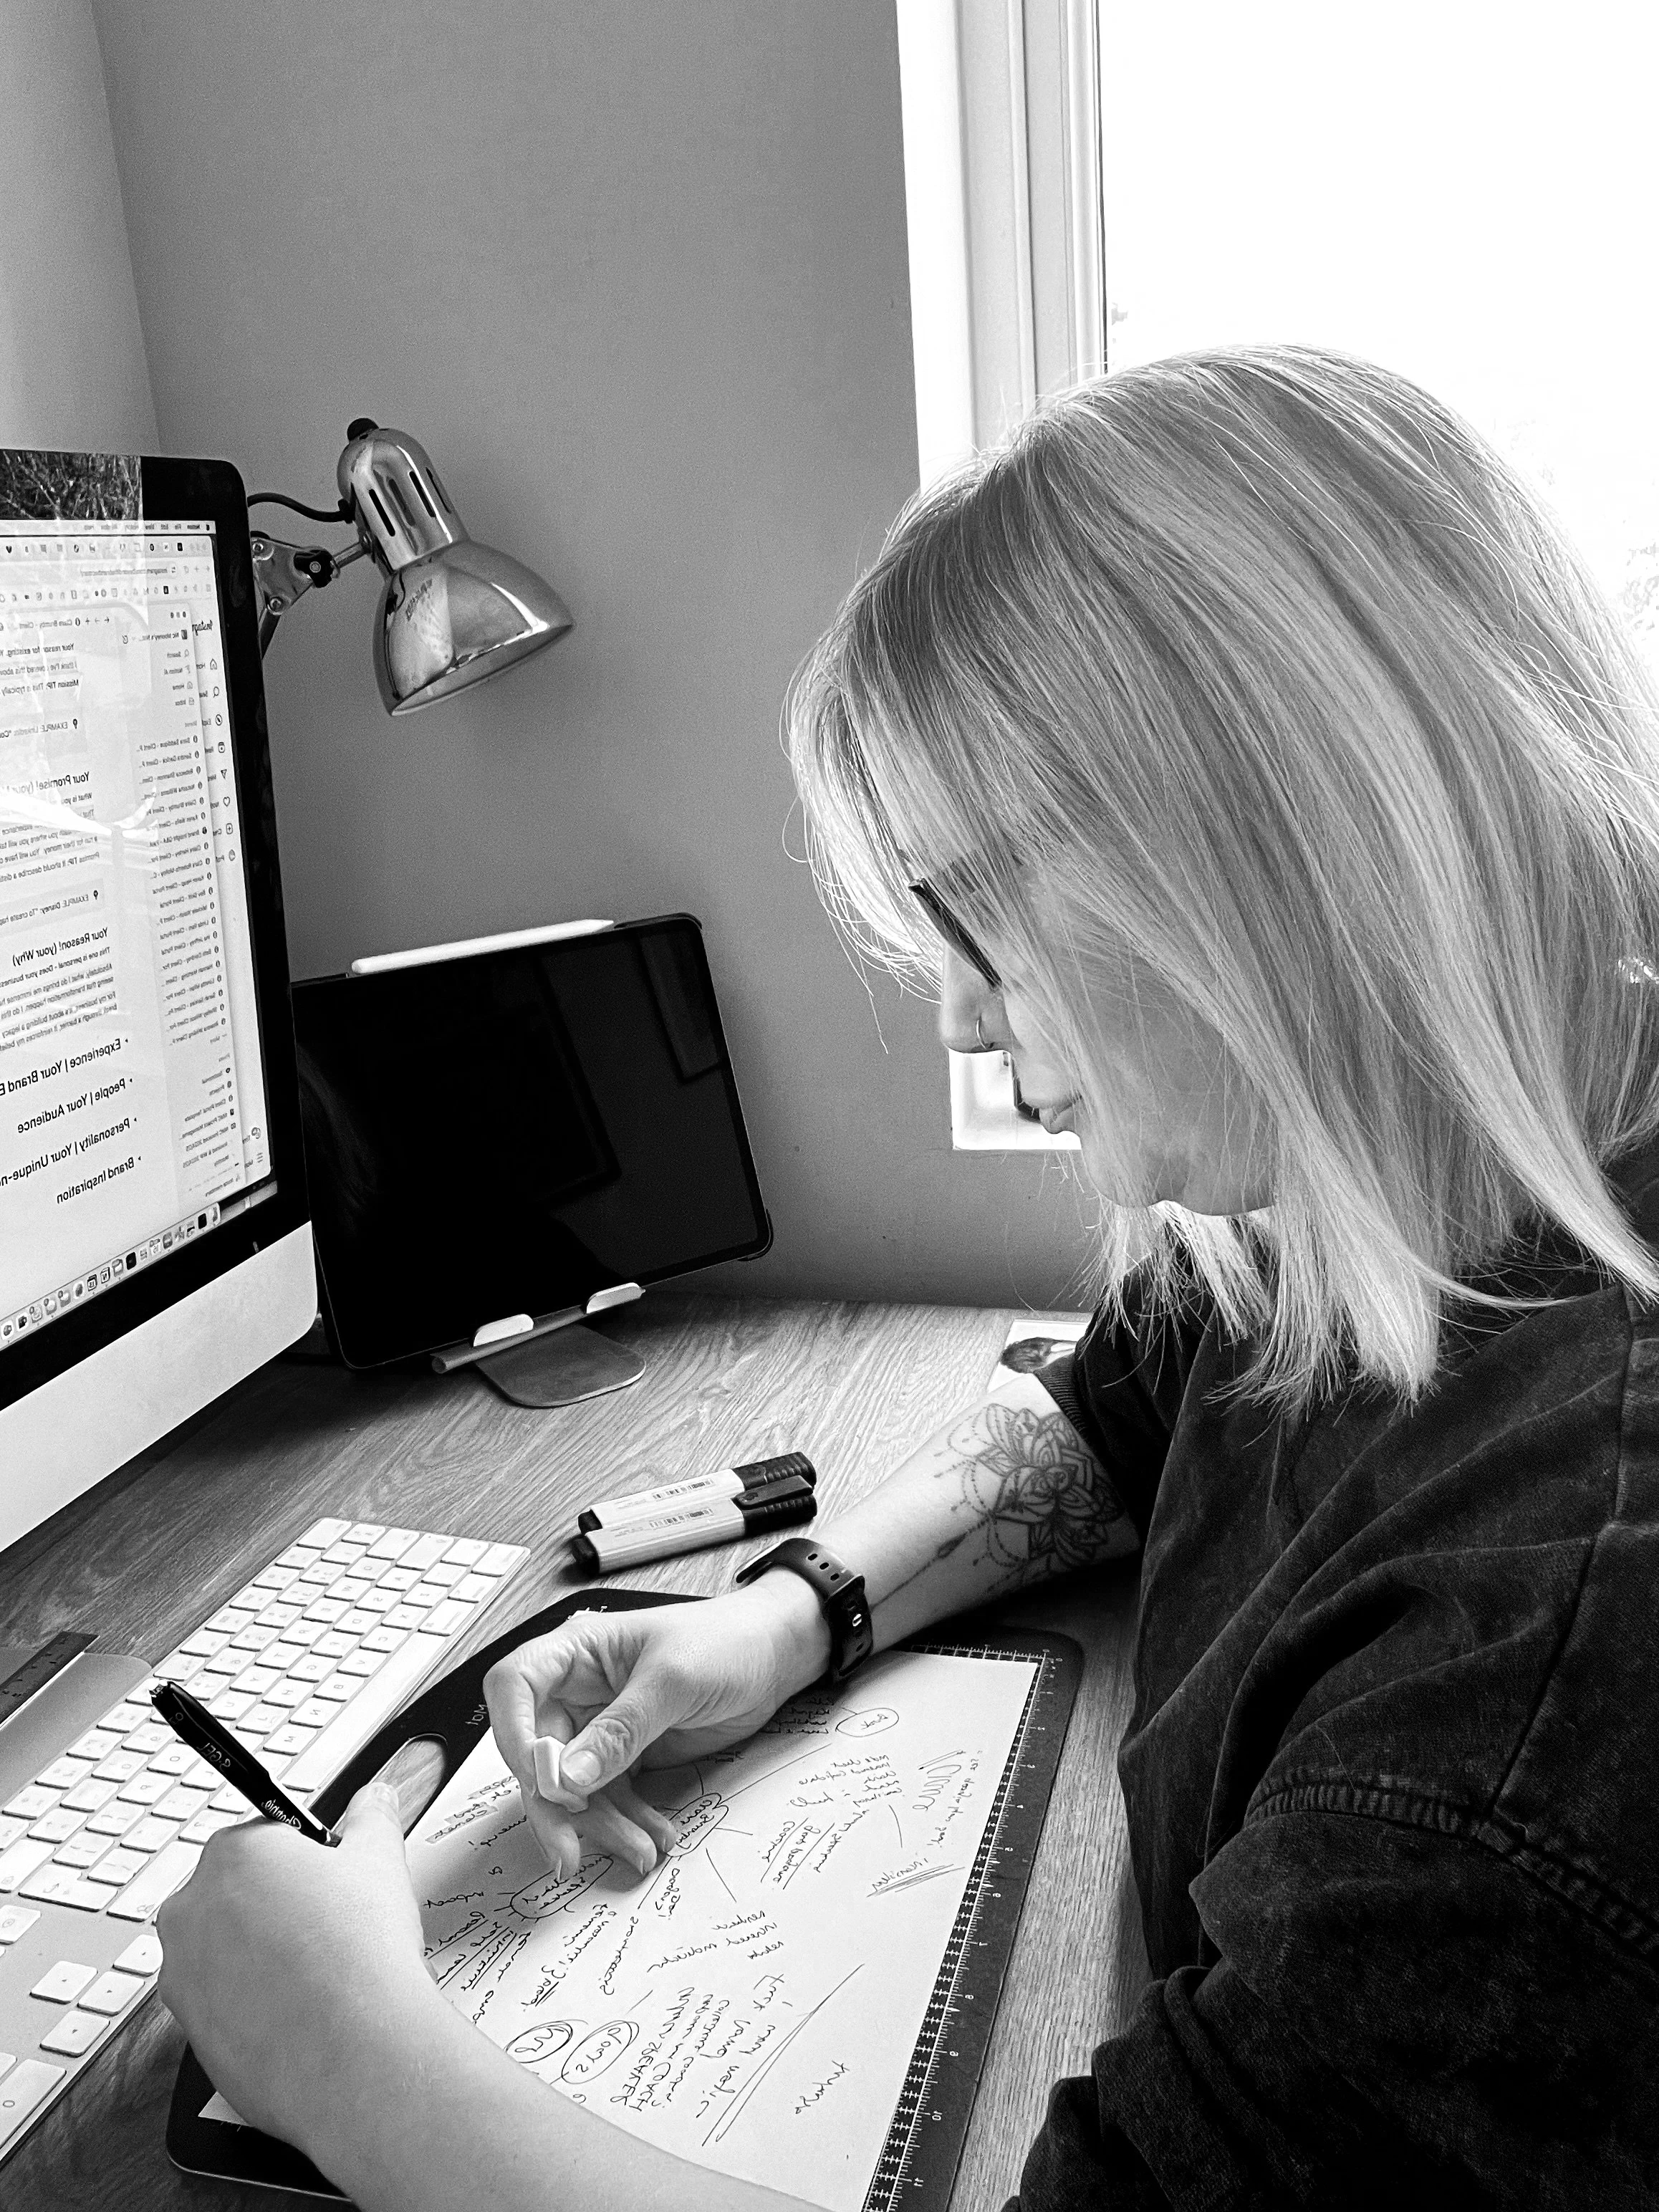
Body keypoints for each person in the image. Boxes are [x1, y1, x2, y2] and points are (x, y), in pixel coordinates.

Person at [159, 343, 1659, 2210]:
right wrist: (785, 1621)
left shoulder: (1550, 1665)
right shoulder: (1412, 1165)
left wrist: (343, 2053)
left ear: (1245, 868)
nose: (954, 1014)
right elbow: (1110, 1419)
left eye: (971, 922)